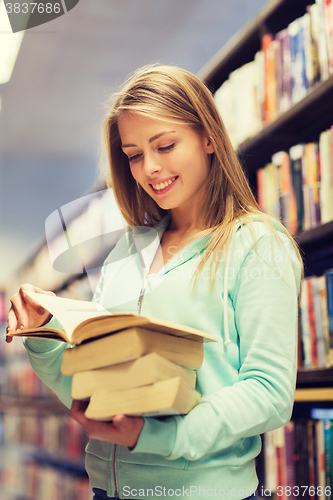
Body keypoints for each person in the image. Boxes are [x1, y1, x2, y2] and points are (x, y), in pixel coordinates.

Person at [7, 64, 303, 500]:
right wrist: (45, 337)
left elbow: (269, 391)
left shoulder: (257, 244)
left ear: (208, 137)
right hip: (109, 490)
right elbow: (96, 387)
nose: (150, 169)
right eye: (133, 155)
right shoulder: (128, 250)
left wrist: (155, 436)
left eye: (164, 145)